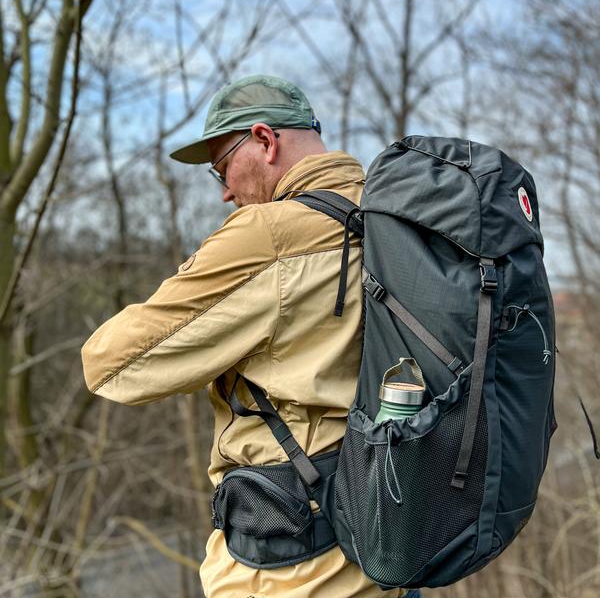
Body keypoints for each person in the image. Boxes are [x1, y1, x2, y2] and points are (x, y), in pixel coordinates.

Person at [82, 75, 419, 598]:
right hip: (389, 542)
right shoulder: (397, 216)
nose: (223, 192)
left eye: (222, 168)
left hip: (289, 562)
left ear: (265, 141)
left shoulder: (267, 234)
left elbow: (111, 364)